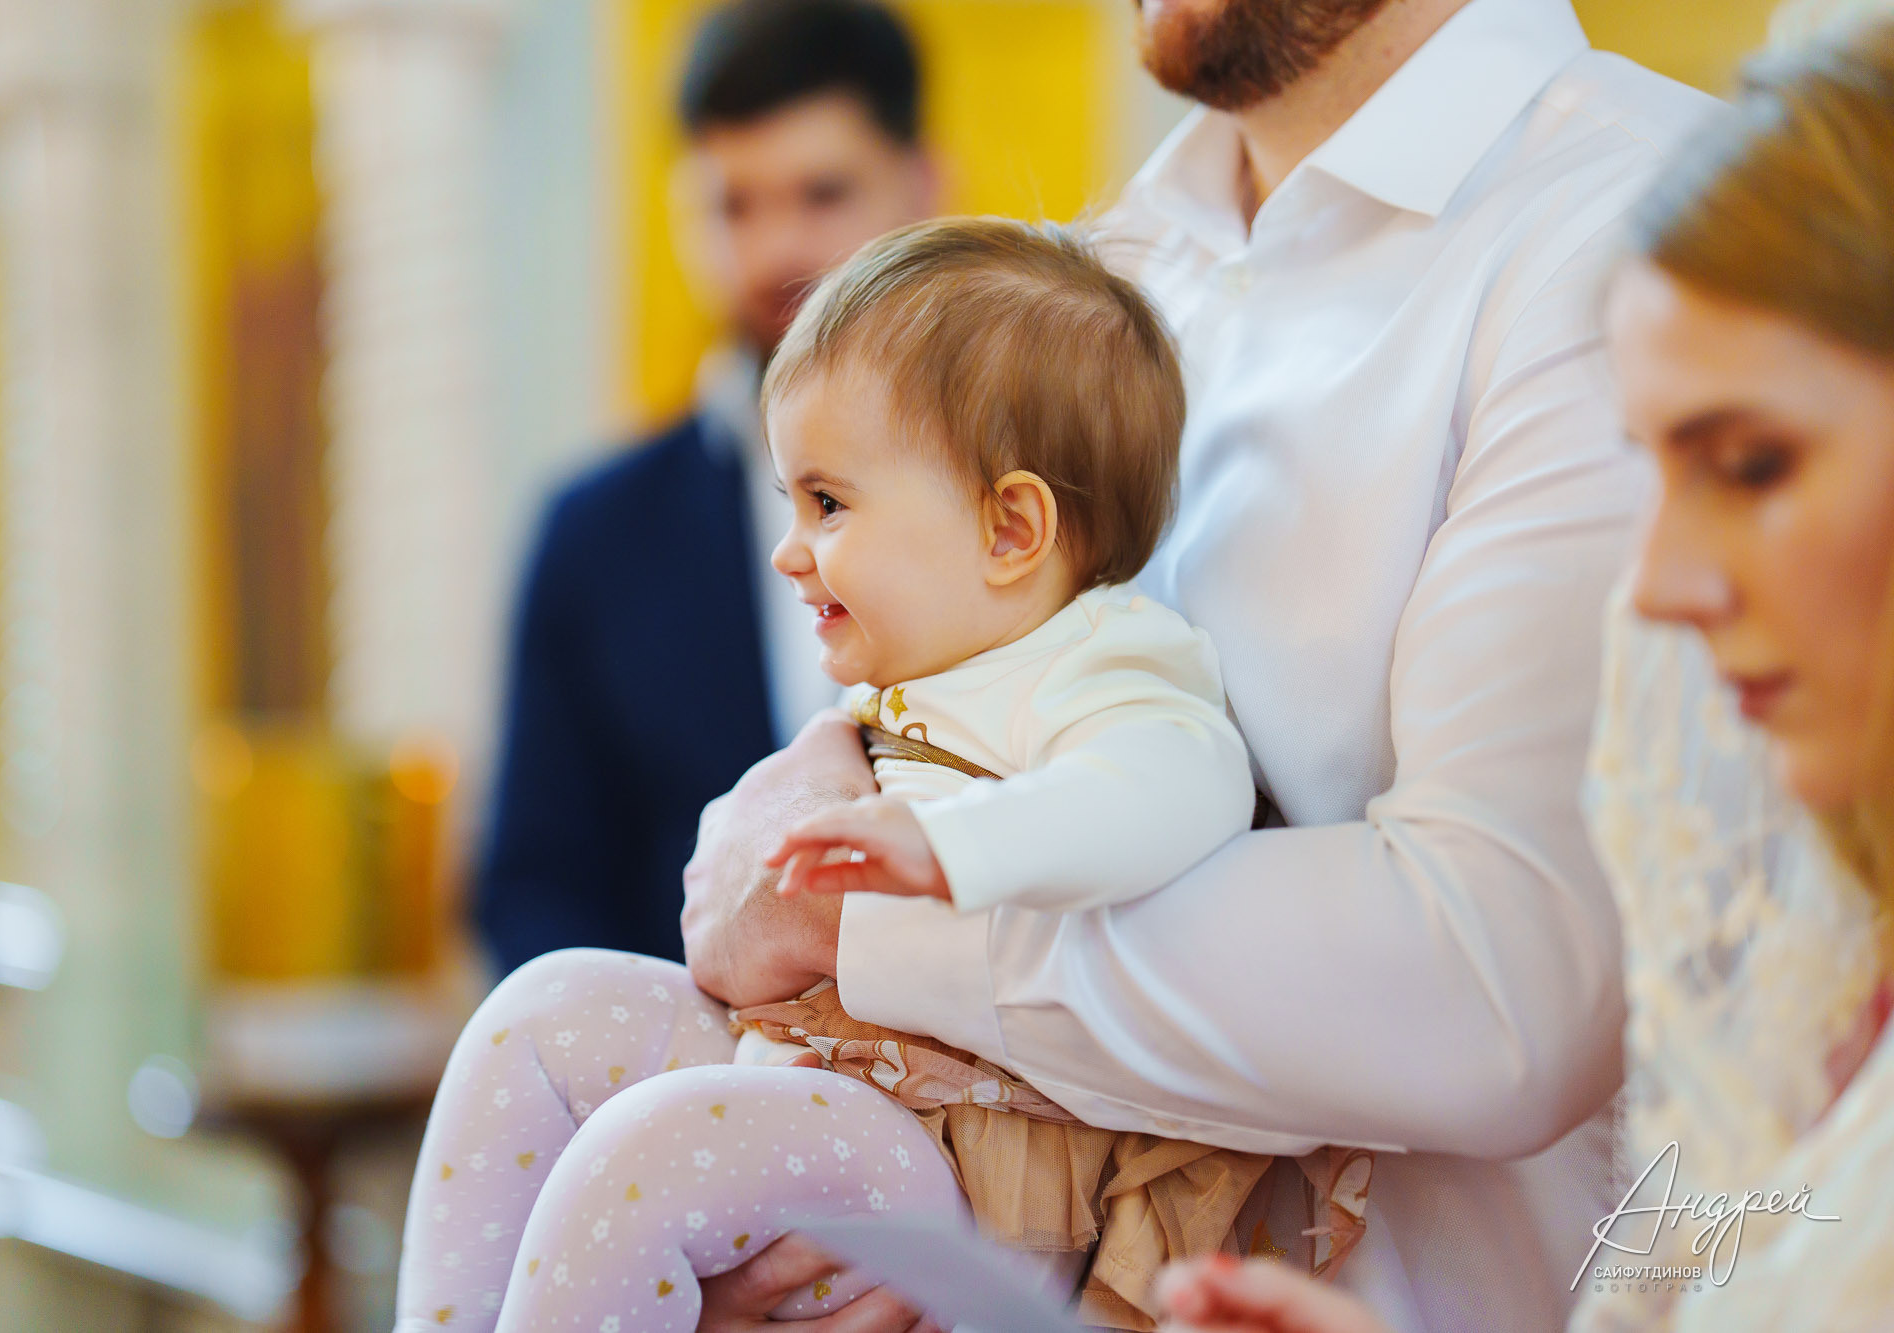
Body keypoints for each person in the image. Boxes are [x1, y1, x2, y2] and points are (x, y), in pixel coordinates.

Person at [682, 0, 1715, 1327]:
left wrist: (867, 921)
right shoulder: (1112, 259)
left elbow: (1498, 984)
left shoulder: (1640, 226)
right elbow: (952, 702)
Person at [395, 217, 1379, 1333]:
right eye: (789, 503)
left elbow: (1172, 794)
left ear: (1010, 528)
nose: (789, 548)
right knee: (537, 1011)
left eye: (827, 502)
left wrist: (952, 845)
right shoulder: (917, 677)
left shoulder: (1104, 661)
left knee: (641, 1153)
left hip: (961, 1158)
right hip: (828, 1077)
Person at [1153, 14, 1894, 1332]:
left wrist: (910, 924)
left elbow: (1495, 977)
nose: (1657, 585)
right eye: (1657, 466)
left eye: (1755, 465)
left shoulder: (1586, 204)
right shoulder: (1822, 979)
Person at [477, 0, 938, 974]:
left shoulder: (1042, 487)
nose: (775, 251)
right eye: (734, 204)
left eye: (820, 193)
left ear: (924, 182)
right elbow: (533, 887)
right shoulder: (592, 535)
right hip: (677, 1095)